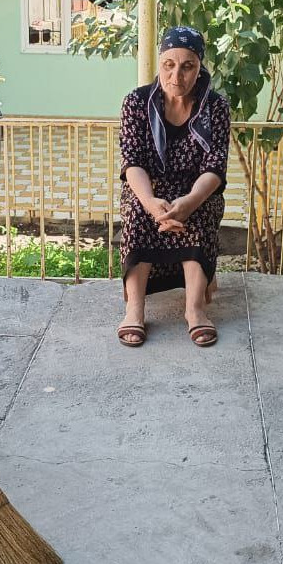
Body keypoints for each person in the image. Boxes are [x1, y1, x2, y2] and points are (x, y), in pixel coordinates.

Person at [117, 27, 231, 348]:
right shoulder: (136, 103)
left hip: (195, 190)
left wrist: (190, 201)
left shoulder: (215, 108)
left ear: (200, 68)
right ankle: (134, 309)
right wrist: (153, 202)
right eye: (169, 64)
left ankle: (194, 310)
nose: (176, 75)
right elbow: (132, 161)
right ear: (159, 64)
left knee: (203, 211)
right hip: (148, 188)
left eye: (187, 66)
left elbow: (215, 167)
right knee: (138, 212)